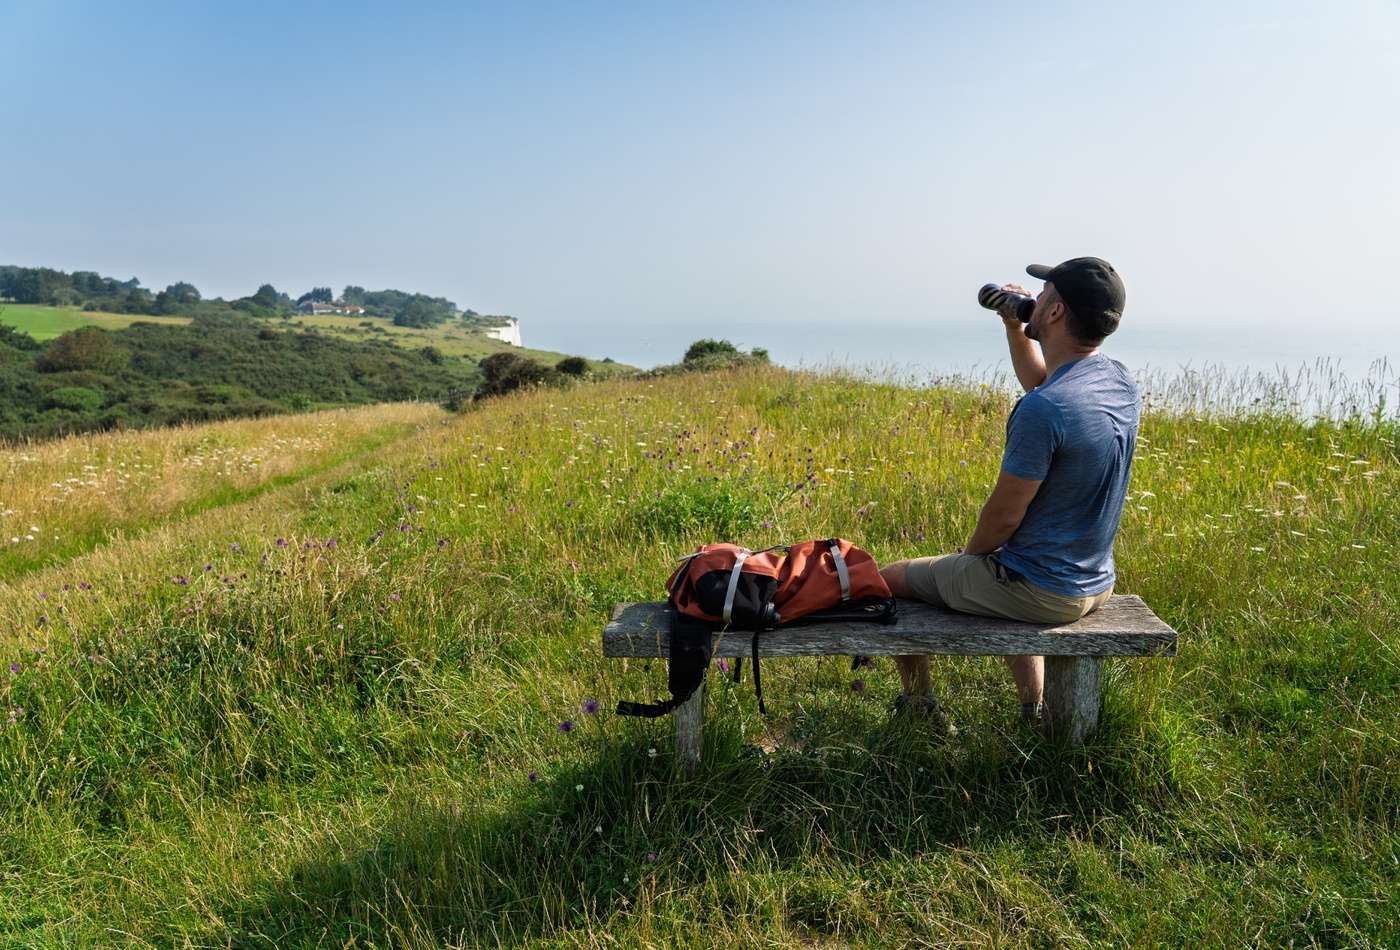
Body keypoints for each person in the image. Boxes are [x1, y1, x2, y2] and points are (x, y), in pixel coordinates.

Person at [881, 257, 1140, 733]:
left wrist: (967, 561)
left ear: (1057, 311)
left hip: (1044, 591)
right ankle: (1031, 711)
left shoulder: (1041, 412)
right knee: (1011, 567)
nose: (1032, 299)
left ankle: (920, 710)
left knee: (892, 580)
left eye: (1041, 296)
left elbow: (1003, 518)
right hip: (1094, 583)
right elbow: (1046, 383)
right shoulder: (1117, 380)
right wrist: (1014, 324)